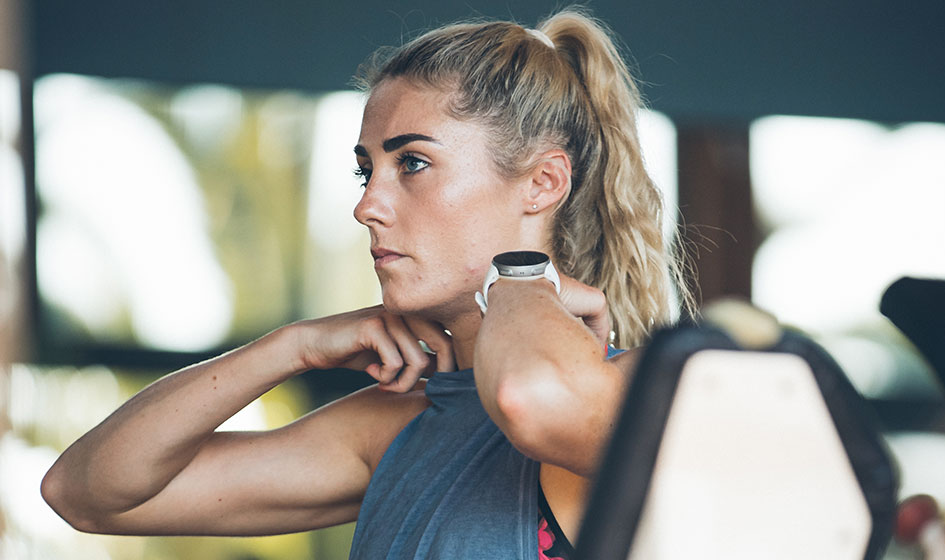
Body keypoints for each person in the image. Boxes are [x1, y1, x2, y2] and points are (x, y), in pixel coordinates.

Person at [41, 8, 692, 559]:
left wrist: (519, 277)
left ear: (542, 183)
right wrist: (292, 347)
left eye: (412, 163)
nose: (367, 205)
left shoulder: (644, 392)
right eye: (365, 171)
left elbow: (531, 398)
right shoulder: (393, 427)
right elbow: (83, 493)